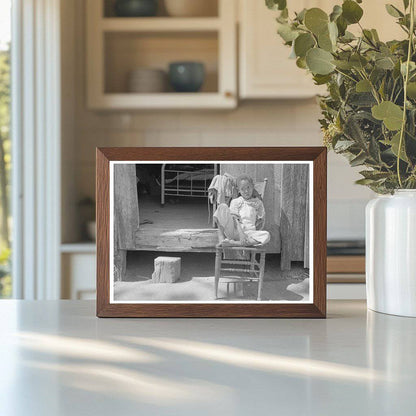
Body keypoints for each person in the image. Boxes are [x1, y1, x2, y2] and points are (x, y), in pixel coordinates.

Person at [213, 174, 270, 246]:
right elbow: (234, 218)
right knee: (222, 206)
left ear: (253, 187)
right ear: (239, 190)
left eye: (248, 187)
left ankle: (235, 243)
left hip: (249, 233)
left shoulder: (258, 202)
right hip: (234, 231)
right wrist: (241, 233)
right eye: (242, 189)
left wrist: (257, 212)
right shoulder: (236, 201)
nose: (246, 191)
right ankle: (221, 240)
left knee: (266, 235)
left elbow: (260, 221)